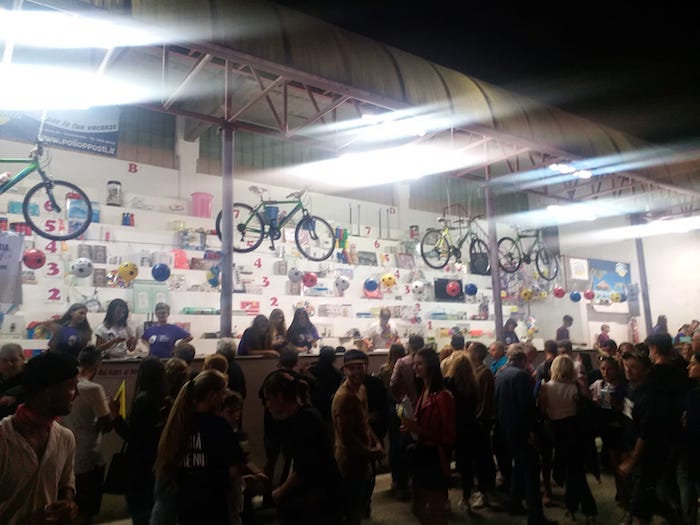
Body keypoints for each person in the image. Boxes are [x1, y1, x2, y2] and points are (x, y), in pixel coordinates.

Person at [155, 369, 245, 525]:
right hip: (213, 503)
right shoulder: (219, 426)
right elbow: (234, 469)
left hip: (185, 502)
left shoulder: (179, 424)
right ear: (212, 396)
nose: (224, 397)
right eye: (222, 393)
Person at [0, 352, 79, 525]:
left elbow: (66, 482)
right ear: (49, 392)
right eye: (72, 386)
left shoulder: (65, 438)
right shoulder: (3, 439)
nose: (77, 393)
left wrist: (67, 504)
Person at [260, 369, 341, 524]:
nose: (267, 405)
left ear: (280, 397)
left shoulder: (306, 420)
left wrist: (280, 492)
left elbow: (306, 467)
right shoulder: (298, 417)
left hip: (317, 501)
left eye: (268, 399)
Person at [494, 345, 557, 525]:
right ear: (522, 360)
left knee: (520, 467)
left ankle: (514, 503)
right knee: (531, 471)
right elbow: (526, 406)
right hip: (521, 431)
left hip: (506, 429)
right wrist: (532, 431)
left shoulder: (500, 374)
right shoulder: (520, 376)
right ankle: (535, 516)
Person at [538, 355, 598, 524]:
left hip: (556, 431)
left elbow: (542, 411)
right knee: (575, 471)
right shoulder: (577, 386)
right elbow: (588, 403)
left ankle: (582, 509)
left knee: (571, 472)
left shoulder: (546, 387)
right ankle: (578, 508)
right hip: (576, 430)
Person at [400, 347, 455, 525]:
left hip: (435, 458)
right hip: (422, 454)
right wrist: (410, 426)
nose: (415, 367)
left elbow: (448, 435)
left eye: (420, 364)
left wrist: (417, 429)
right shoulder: (425, 390)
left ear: (430, 365)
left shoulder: (443, 396)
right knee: (421, 507)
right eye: (414, 363)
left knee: (435, 508)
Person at [110, 356, 167, 525]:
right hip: (156, 462)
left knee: (140, 511)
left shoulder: (143, 400)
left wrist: (116, 417)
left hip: (139, 466)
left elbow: (134, 437)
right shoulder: (164, 399)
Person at [60, 346, 113, 525]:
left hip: (64, 456)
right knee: (85, 510)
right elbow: (106, 425)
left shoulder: (63, 383)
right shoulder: (93, 389)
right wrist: (112, 411)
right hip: (89, 456)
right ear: (97, 365)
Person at [331, 349, 384, 525]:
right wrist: (371, 452)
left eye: (360, 367)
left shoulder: (361, 389)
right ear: (344, 370)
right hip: (349, 461)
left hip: (362, 458)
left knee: (359, 505)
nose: (356, 372)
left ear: (366, 367)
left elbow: (364, 421)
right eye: (351, 368)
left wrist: (376, 443)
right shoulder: (344, 397)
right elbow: (347, 438)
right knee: (351, 510)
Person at [444, 352, 478, 513]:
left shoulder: (448, 383)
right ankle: (466, 499)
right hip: (468, 427)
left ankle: (445, 499)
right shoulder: (473, 384)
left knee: (444, 463)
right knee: (467, 466)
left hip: (450, 426)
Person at [468, 341, 496, 509]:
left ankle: (486, 491)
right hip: (475, 420)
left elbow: (487, 400)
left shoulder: (485, 373)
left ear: (477, 354)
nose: (467, 352)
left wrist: (480, 418)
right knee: (478, 457)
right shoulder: (474, 371)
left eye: (470, 350)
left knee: (483, 457)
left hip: (481, 422)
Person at [0, 342, 25, 419]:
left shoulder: (31, 376)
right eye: (4, 360)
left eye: (14, 360)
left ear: (22, 359)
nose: (9, 364)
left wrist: (14, 393)